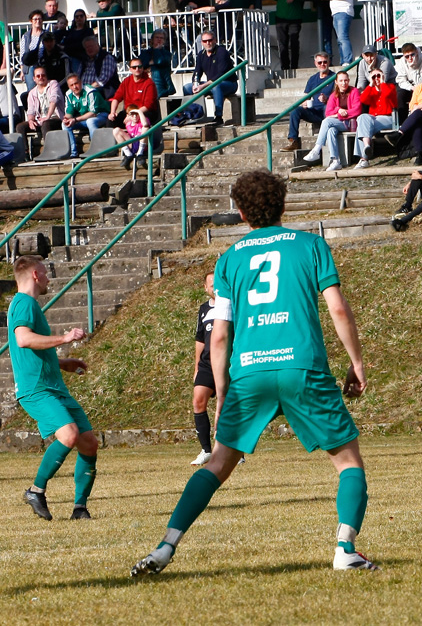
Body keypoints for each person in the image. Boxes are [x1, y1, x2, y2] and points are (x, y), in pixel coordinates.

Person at [131, 168, 377, 576]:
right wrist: (356, 362)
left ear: (242, 214)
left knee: (218, 464)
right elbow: (336, 307)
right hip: (302, 367)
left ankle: (165, 546)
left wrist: (224, 388)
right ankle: (345, 548)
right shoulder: (311, 245)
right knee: (349, 463)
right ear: (283, 205)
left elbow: (221, 333)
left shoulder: (228, 260)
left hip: (250, 371)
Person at [9, 255, 94, 521]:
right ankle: (36, 491)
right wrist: (65, 338)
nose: (48, 278)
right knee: (68, 435)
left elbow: (33, 351)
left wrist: (63, 363)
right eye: (44, 273)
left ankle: (79, 509)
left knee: (88, 444)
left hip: (52, 385)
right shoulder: (23, 302)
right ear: (35, 275)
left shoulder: (29, 305)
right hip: (37, 390)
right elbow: (23, 340)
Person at [302, 71, 360, 171]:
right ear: (336, 82)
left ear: (349, 80)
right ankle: (335, 160)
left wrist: (341, 114)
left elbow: (357, 110)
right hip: (339, 122)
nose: (343, 83)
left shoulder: (354, 91)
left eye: (346, 80)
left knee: (326, 122)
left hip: (351, 123)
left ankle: (316, 150)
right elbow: (328, 112)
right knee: (330, 130)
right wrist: (339, 110)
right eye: (341, 81)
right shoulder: (334, 95)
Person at [190, 273, 217, 466]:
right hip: (207, 364)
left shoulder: (233, 305)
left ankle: (235, 451)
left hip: (228, 362)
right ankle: (206, 450)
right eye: (212, 285)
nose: (215, 288)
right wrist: (197, 366)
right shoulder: (204, 309)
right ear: (205, 288)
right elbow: (200, 340)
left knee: (229, 407)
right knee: (198, 400)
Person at [281, 53, 334, 152]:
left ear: (329, 62)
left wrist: (327, 99)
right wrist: (305, 103)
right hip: (314, 111)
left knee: (326, 108)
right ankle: (294, 141)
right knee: (295, 111)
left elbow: (338, 97)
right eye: (320, 62)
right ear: (315, 63)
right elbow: (306, 97)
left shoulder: (334, 78)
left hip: (327, 110)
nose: (322, 64)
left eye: (325, 62)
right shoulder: (312, 79)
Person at [183, 31, 236, 125]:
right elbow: (197, 72)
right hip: (210, 84)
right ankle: (193, 115)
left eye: (210, 40)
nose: (208, 43)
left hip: (228, 83)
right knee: (187, 87)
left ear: (215, 40)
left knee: (216, 86)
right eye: (205, 41)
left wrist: (203, 86)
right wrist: (195, 84)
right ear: (202, 42)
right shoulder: (201, 54)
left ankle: (218, 117)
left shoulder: (222, 52)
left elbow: (221, 74)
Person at [269, 0, 312, 72]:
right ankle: (285, 67)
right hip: (281, 16)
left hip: (295, 16)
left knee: (294, 42)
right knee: (282, 43)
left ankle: (294, 67)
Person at [353, 67, 397, 169]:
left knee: (362, 125)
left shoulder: (390, 87)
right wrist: (370, 84)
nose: (376, 78)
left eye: (378, 76)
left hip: (388, 118)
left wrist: (382, 82)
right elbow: (363, 100)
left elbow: (387, 95)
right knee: (362, 118)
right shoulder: (371, 90)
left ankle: (364, 159)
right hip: (373, 119)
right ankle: (367, 147)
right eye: (374, 76)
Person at [62, 74, 110, 159]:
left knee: (90, 121)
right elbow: (69, 112)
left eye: (76, 83)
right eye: (71, 85)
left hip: (101, 114)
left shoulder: (90, 91)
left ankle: (96, 149)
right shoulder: (68, 94)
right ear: (69, 86)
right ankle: (73, 152)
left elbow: (93, 113)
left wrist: (75, 119)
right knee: (64, 124)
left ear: (81, 82)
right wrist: (67, 119)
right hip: (83, 118)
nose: (74, 87)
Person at [16, 68, 64, 144]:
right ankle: (25, 152)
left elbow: (54, 100)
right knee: (20, 127)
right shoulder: (32, 93)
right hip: (40, 120)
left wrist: (48, 116)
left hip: (55, 118)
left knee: (46, 124)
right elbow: (31, 111)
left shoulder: (53, 84)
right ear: (34, 79)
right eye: (38, 76)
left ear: (46, 76)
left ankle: (49, 150)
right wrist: (31, 120)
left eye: (43, 75)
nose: (41, 77)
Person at [110, 57, 159, 131]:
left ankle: (142, 141)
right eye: (134, 67)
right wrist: (112, 112)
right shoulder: (126, 81)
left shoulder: (149, 83)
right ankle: (116, 141)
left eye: (139, 67)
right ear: (130, 69)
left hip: (144, 112)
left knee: (140, 120)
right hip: (129, 111)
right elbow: (116, 98)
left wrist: (133, 115)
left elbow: (148, 105)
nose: (137, 69)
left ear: (142, 68)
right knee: (111, 121)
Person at [321, 0, 355, 65]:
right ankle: (343, 61)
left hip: (343, 11)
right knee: (340, 39)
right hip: (336, 12)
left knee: (343, 37)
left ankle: (347, 61)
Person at [79, 36, 120, 102]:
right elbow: (78, 77)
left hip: (102, 93)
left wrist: (87, 90)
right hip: (84, 92)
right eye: (87, 47)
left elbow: (102, 80)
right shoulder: (84, 60)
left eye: (91, 46)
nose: (89, 49)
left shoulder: (107, 57)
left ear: (97, 45)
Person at [394, 43, 422, 113]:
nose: (410, 58)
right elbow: (401, 80)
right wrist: (411, 87)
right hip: (410, 86)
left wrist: (413, 68)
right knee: (399, 94)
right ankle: (402, 121)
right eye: (407, 56)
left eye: (412, 55)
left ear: (416, 52)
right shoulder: (402, 61)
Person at [140, 29, 176, 98]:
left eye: (161, 38)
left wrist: (156, 50)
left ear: (164, 41)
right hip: (146, 80)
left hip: (162, 83)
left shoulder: (167, 54)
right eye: (157, 37)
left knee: (156, 71)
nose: (159, 39)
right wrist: (152, 63)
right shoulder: (145, 53)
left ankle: (156, 94)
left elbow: (160, 61)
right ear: (152, 39)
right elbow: (141, 65)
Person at [20, 11, 45, 93]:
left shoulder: (46, 34)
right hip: (30, 67)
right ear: (31, 21)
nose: (37, 21)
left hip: (43, 65)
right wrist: (22, 71)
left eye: (40, 19)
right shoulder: (26, 36)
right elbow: (22, 54)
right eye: (35, 19)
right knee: (32, 91)